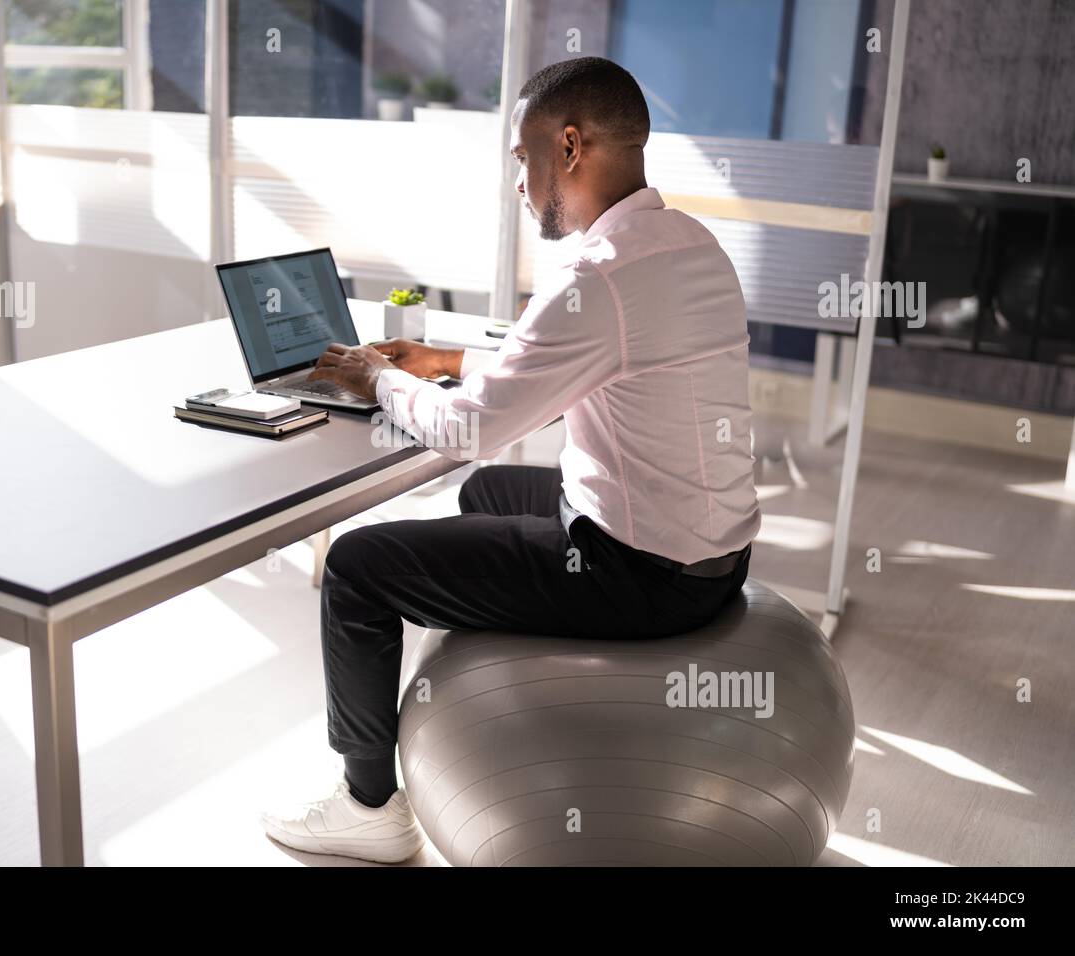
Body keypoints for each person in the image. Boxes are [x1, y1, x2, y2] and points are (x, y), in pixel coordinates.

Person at [260, 56, 760, 863]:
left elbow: (463, 434)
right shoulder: (688, 244)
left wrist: (378, 375)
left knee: (356, 565)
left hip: (640, 576)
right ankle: (507, 671)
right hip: (715, 555)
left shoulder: (596, 279)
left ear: (569, 147)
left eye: (522, 158)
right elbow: (575, 369)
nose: (519, 185)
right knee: (494, 492)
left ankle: (368, 805)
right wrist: (444, 361)